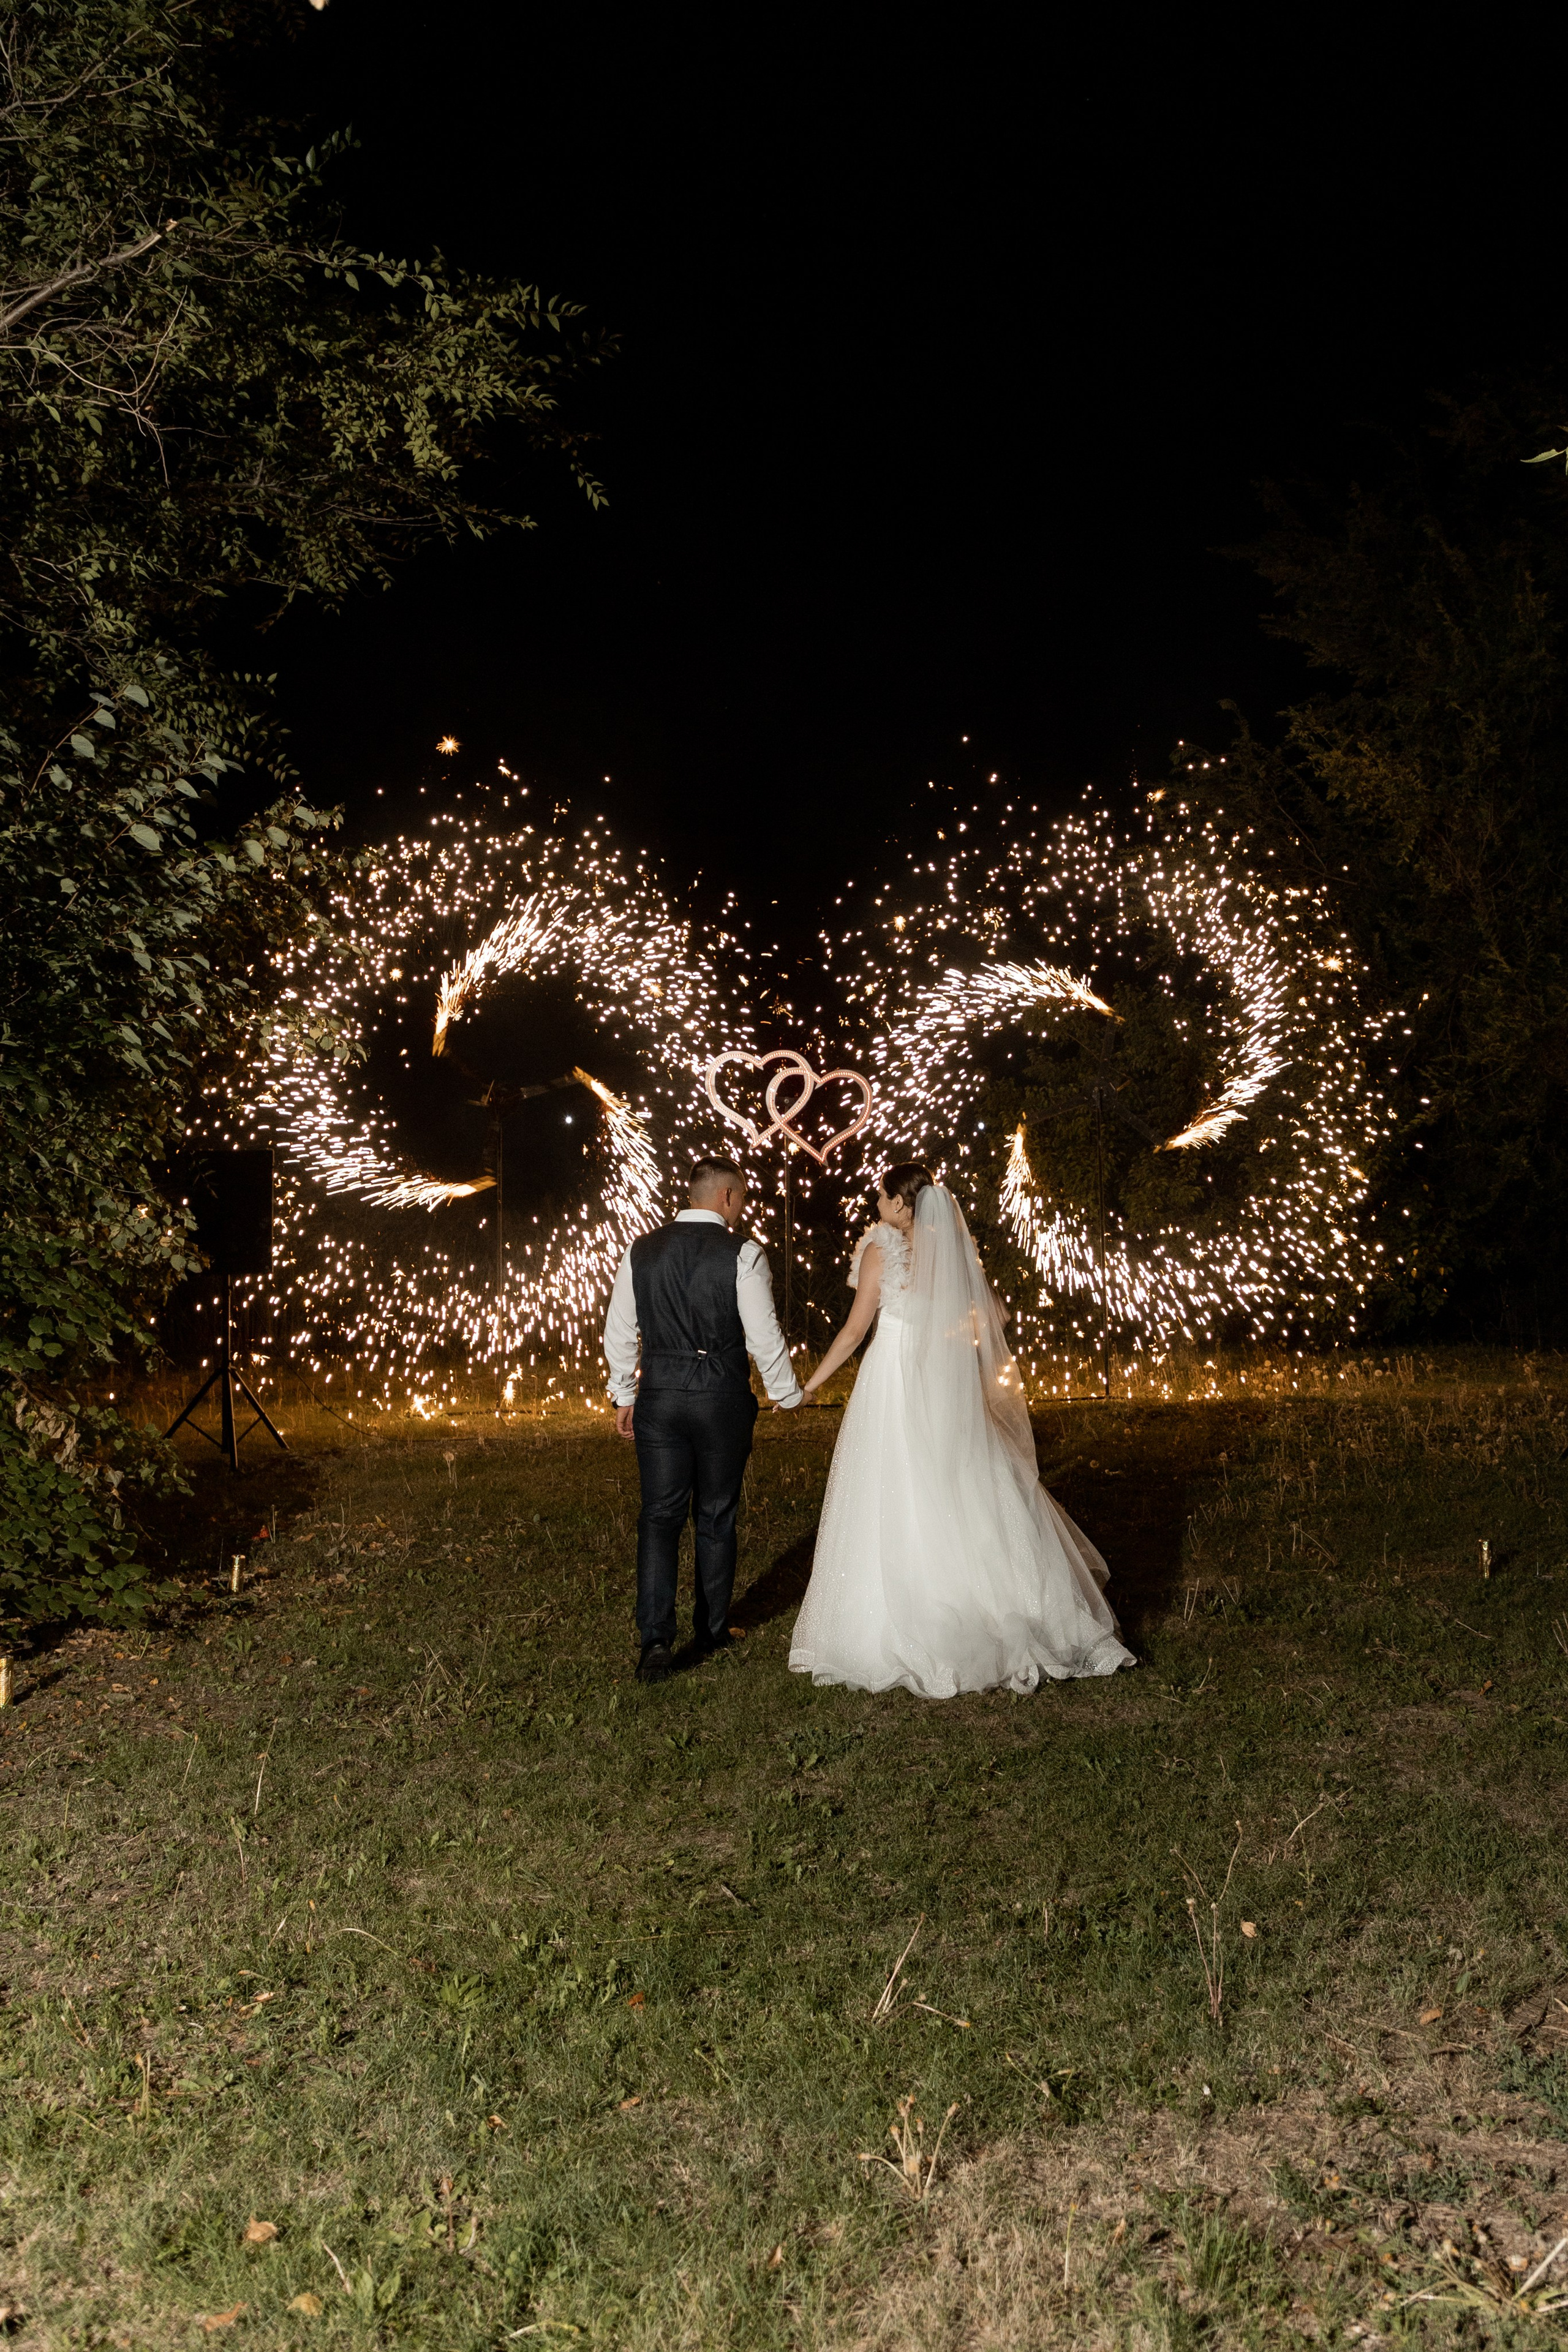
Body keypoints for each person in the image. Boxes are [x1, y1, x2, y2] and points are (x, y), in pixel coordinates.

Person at [788, 1160, 1134, 1697]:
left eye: (882, 1197)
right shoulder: (950, 1250)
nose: (876, 1204)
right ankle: (1012, 1603)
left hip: (897, 1378)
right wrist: (947, 1334)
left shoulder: (884, 1247)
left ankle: (898, 1613)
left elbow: (857, 1329)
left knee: (895, 1480)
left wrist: (811, 1385)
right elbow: (994, 1314)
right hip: (942, 1379)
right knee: (963, 1479)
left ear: (900, 1205)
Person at [604, 1155, 802, 1683]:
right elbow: (762, 1334)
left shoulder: (642, 1249)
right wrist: (785, 1391)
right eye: (741, 1199)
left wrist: (624, 1391)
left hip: (661, 1397)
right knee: (716, 1515)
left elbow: (620, 1329)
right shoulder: (744, 1253)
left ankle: (655, 1643)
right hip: (720, 1398)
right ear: (727, 1198)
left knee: (659, 1516)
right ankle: (711, 1631)